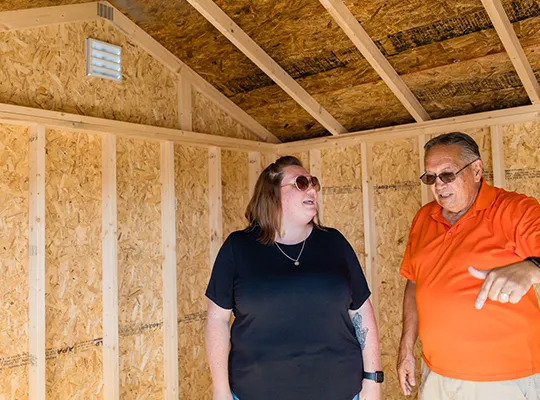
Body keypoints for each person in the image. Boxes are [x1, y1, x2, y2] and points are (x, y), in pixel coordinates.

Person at [205, 156, 382, 400]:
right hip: (255, 392)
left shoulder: (333, 242)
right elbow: (217, 320)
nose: (312, 189)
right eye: (301, 182)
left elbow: (361, 312)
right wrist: (220, 390)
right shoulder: (238, 247)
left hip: (339, 390)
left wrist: (373, 381)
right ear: (272, 193)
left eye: (313, 183)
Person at [396, 132, 540, 399]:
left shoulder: (515, 210)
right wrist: (406, 347)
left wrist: (532, 268)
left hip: (504, 379)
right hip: (436, 374)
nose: (438, 185)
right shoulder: (424, 218)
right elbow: (414, 281)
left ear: (476, 170)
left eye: (447, 175)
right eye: (430, 177)